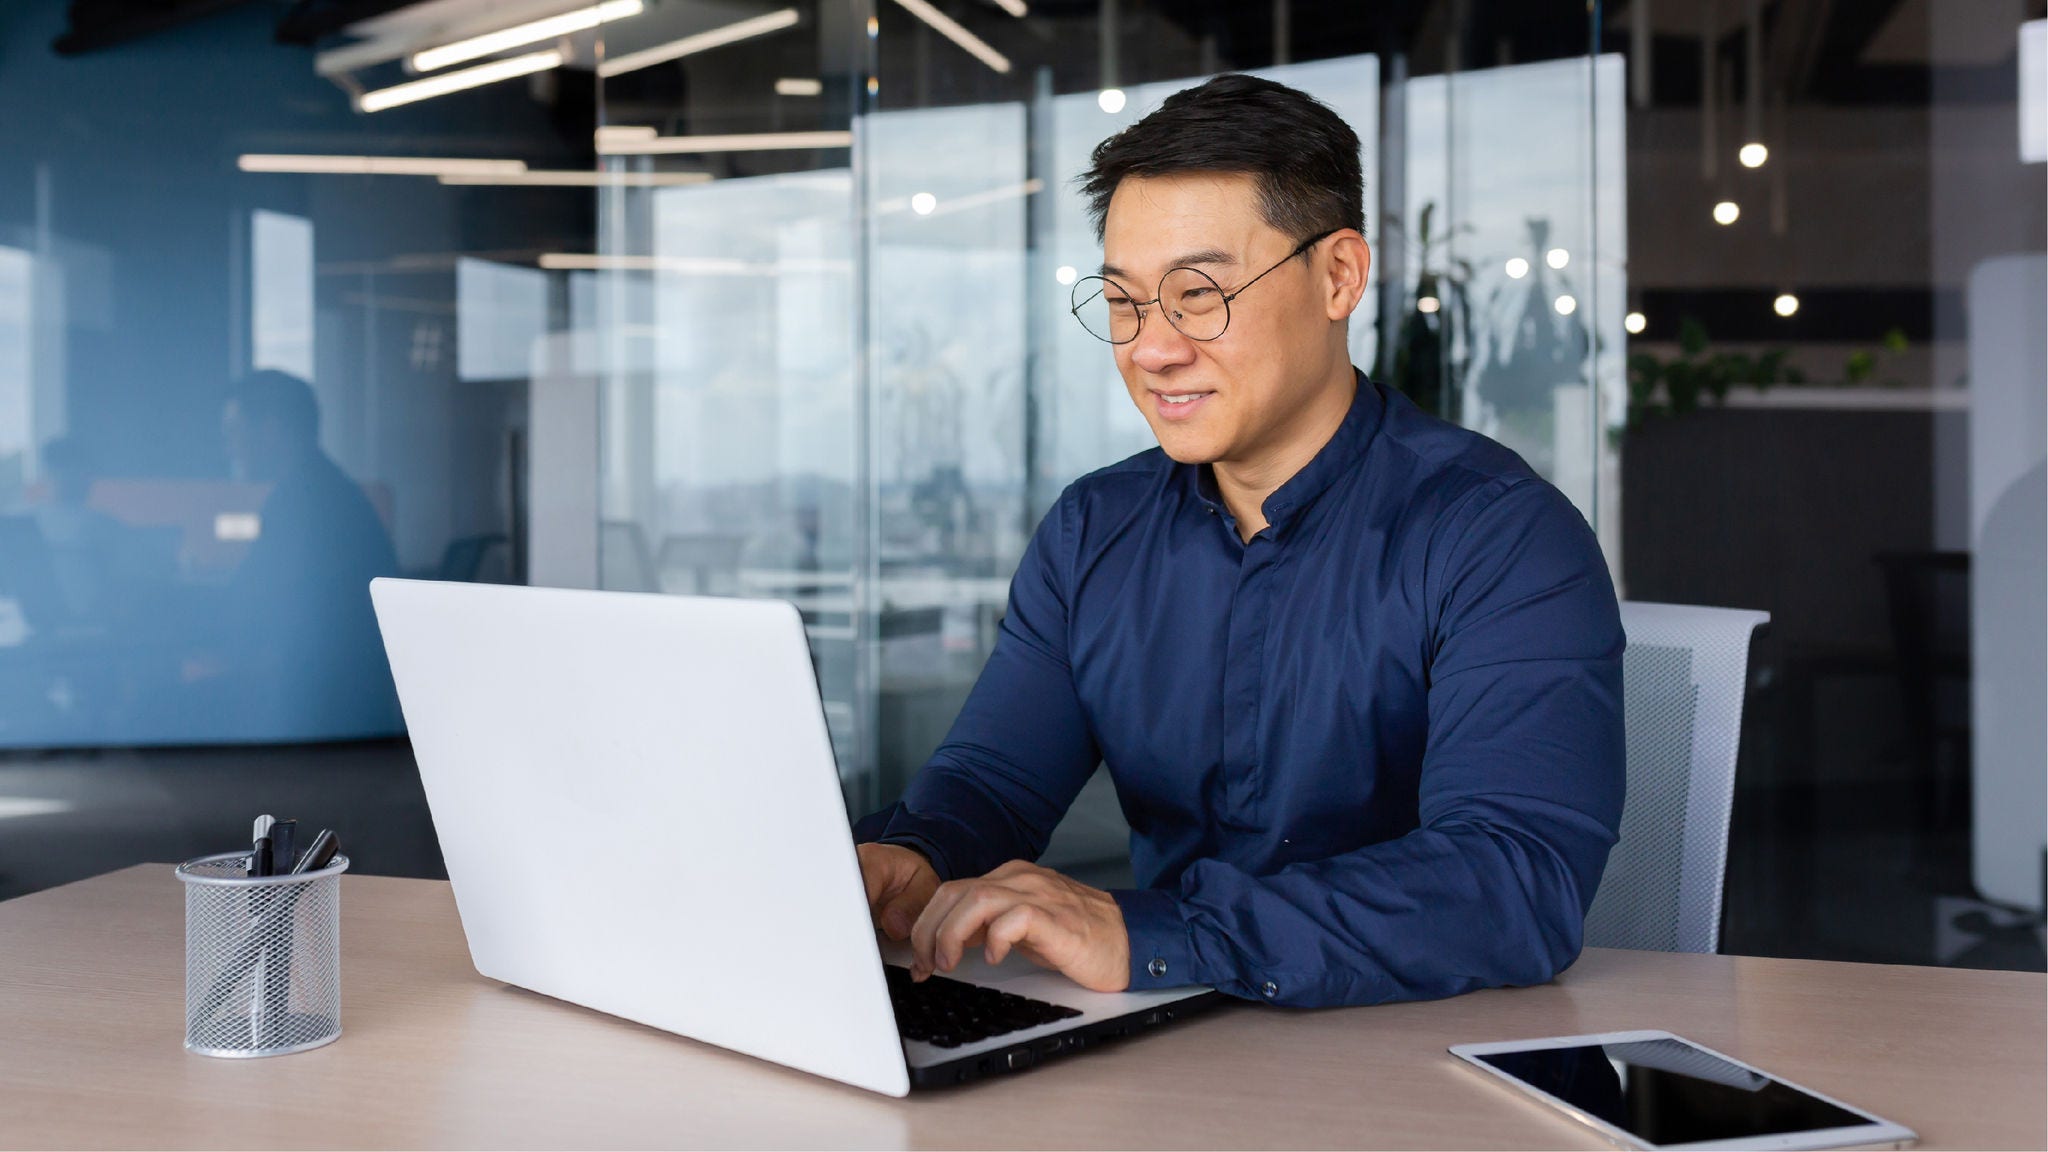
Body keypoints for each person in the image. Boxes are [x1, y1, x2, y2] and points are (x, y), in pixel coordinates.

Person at [852, 74, 1625, 1009]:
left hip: (1412, 1061)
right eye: (1125, 301)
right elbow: (994, 779)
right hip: (1160, 1042)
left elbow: (1513, 883)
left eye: (1200, 294)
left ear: (1339, 276)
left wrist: (1154, 933)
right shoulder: (1095, 531)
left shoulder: (1498, 535)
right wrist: (914, 854)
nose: (1151, 349)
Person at [204, 369, 401, 738]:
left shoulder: (300, 501)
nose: (228, 446)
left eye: (234, 430)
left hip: (318, 709)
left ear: (271, 428)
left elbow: (247, 605)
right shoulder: (326, 488)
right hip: (345, 699)